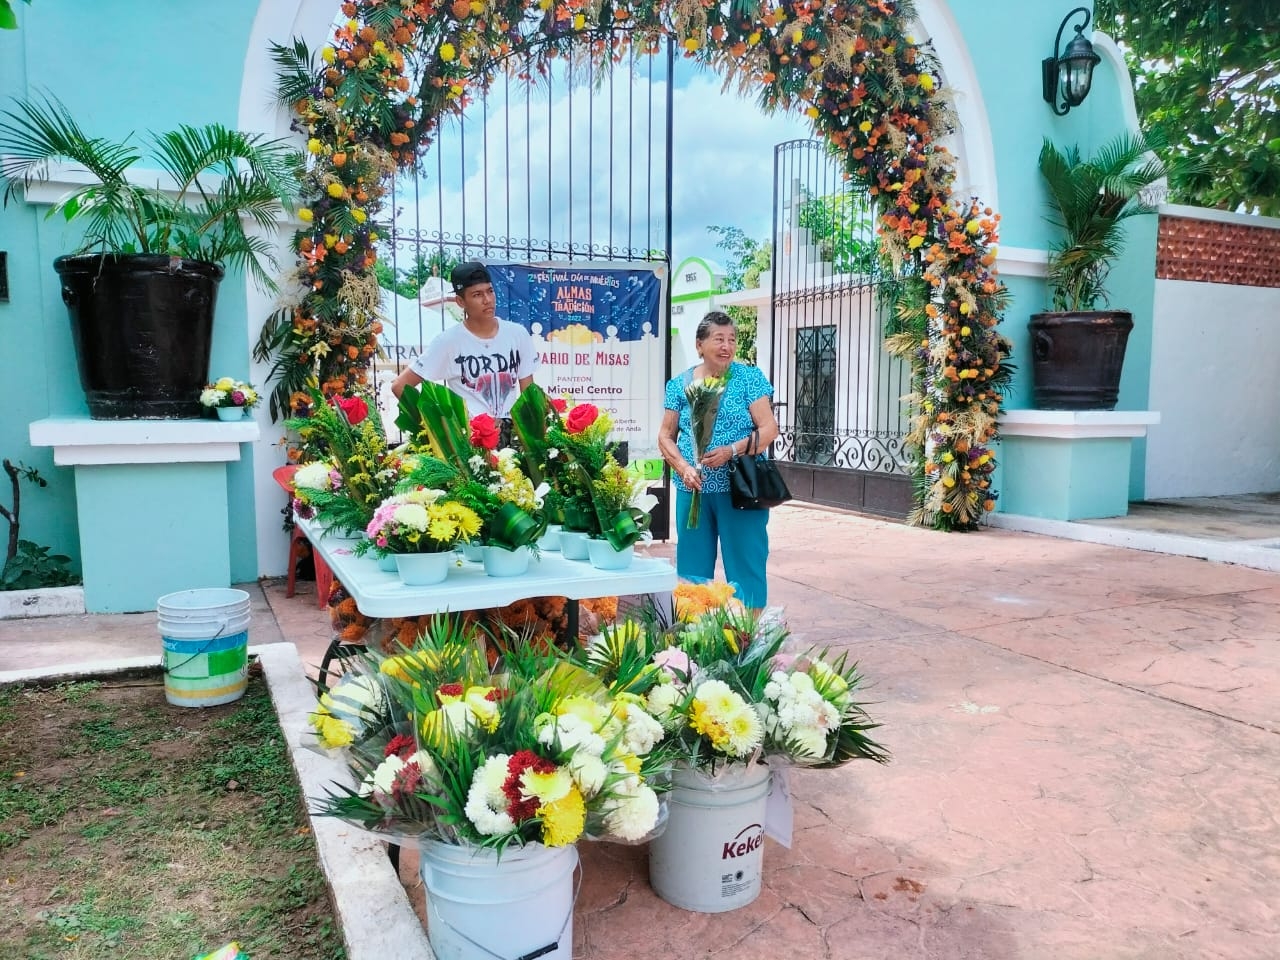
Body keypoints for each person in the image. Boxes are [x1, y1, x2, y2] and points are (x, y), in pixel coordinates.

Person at [658, 311, 780, 610]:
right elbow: (665, 436)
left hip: (741, 488)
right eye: (718, 339)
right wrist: (684, 468)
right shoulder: (679, 385)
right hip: (694, 490)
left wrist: (731, 450)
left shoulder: (749, 378)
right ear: (700, 345)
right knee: (692, 574)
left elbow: (769, 429)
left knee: (746, 566)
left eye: (732, 339)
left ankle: (747, 641)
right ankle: (696, 641)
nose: (727, 346)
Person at [391, 261, 539, 431]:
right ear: (460, 301)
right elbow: (399, 386)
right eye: (477, 295)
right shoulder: (448, 341)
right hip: (470, 439)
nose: (487, 300)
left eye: (490, 291)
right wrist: (435, 429)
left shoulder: (517, 334)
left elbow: (529, 394)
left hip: (513, 435)